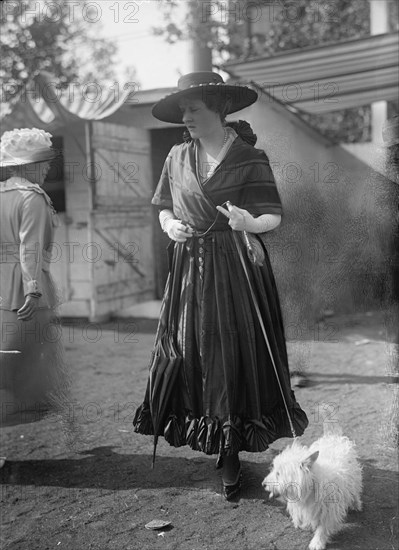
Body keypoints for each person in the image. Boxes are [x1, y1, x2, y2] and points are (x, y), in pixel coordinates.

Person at [133, 72, 308, 499]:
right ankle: (215, 440)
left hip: (237, 268)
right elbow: (163, 208)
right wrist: (171, 224)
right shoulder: (176, 156)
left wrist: (250, 223)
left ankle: (231, 450)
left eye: (193, 108)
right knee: (193, 350)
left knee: (233, 353)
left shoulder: (250, 157)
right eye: (183, 110)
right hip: (190, 267)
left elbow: (273, 214)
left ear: (219, 109)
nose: (186, 116)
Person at [0, 128, 70, 453]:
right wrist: (32, 289)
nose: (45, 169)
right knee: (25, 367)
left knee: (7, 360)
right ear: (25, 166)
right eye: (41, 163)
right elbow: (30, 248)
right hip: (24, 290)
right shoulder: (33, 198)